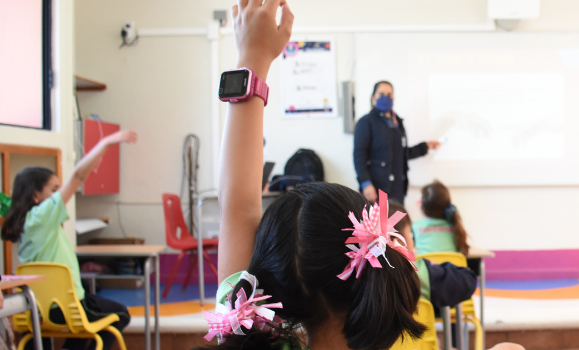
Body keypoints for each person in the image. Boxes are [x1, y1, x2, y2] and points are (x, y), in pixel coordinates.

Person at [205, 4, 521, 350]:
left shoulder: (242, 328)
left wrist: (251, 56)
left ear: (261, 279)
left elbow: (237, 206)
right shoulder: (367, 123)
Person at [2, 130, 137, 350]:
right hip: (68, 307)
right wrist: (105, 142)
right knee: (120, 313)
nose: (60, 194)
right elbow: (78, 177)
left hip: (37, 310)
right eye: (54, 190)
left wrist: (96, 156)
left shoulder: (25, 223)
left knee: (44, 336)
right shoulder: (42, 216)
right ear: (36, 197)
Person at [353, 81, 440, 204]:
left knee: (397, 223)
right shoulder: (366, 122)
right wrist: (366, 184)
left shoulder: (397, 122)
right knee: (378, 223)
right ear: (373, 98)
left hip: (397, 189)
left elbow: (402, 153)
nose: (386, 97)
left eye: (389, 94)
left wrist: (425, 147)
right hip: (376, 189)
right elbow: (359, 157)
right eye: (381, 94)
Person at [413, 180, 470, 257]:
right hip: (453, 268)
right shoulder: (454, 224)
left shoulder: (415, 226)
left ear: (423, 205)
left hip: (425, 268)